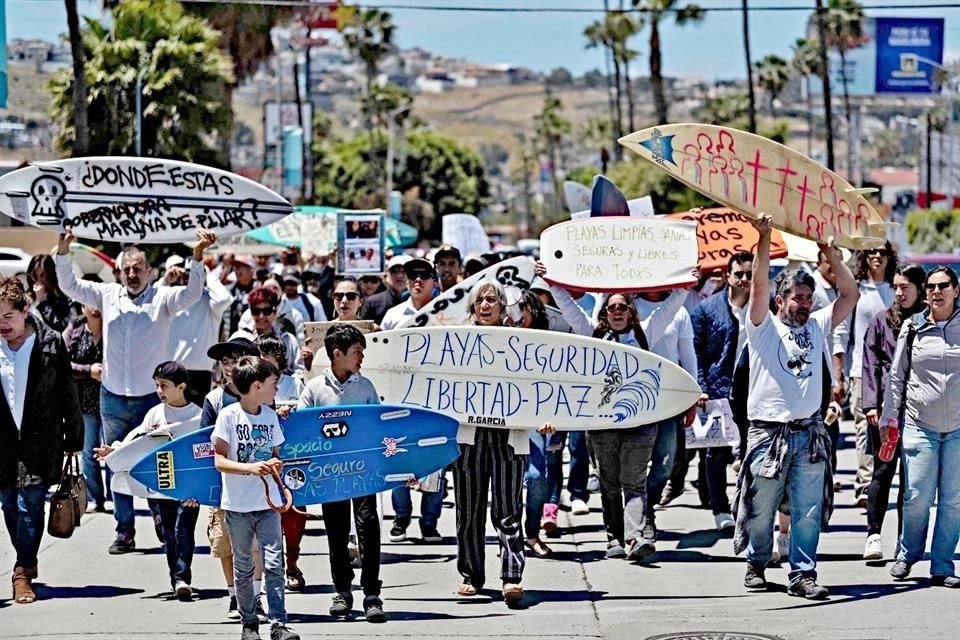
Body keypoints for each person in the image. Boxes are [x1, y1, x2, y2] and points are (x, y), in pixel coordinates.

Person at [54, 227, 217, 554]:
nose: (132, 274)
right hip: (113, 396)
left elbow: (191, 293)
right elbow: (68, 285)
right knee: (117, 462)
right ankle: (124, 530)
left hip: (150, 400)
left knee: (157, 461)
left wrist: (197, 257)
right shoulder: (107, 294)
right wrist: (63, 250)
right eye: (126, 269)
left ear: (149, 271)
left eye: (138, 268)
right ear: (118, 271)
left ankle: (159, 515)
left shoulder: (162, 297)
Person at [734, 215, 858, 600]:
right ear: (780, 300)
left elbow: (850, 295)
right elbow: (757, 285)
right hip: (768, 433)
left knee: (807, 509)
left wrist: (831, 256)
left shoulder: (819, 324)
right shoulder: (762, 325)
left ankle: (802, 573)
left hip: (810, 432)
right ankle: (757, 561)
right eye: (796, 298)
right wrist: (765, 238)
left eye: (807, 298)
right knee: (761, 506)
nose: (804, 305)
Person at [541, 263, 657, 562]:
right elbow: (567, 306)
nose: (617, 311)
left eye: (623, 307)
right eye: (611, 307)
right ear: (604, 313)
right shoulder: (592, 335)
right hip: (602, 424)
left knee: (633, 481)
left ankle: (634, 537)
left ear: (631, 312)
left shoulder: (648, 334)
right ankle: (614, 537)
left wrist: (686, 284)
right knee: (608, 483)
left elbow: (672, 305)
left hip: (640, 423)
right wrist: (550, 280)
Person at [454, 279, 545, 604]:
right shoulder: (456, 343)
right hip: (469, 438)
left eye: (492, 300)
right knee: (468, 511)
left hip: (509, 437)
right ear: (473, 306)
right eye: (480, 300)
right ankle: (471, 574)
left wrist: (546, 416)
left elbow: (536, 385)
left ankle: (511, 576)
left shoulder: (520, 343)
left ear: (502, 306)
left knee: (507, 510)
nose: (486, 305)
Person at [0, 277, 83, 604]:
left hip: (40, 437)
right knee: (9, 504)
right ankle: (26, 561)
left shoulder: (50, 343)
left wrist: (74, 436)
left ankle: (23, 570)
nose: (2, 324)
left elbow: (67, 391)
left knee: (30, 504)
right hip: (3, 440)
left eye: (8, 316)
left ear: (25, 311)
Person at [298, 324, 387, 622]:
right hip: (330, 474)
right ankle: (343, 590)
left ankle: (372, 594)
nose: (362, 356)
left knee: (368, 526)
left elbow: (380, 426)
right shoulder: (313, 389)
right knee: (336, 531)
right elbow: (302, 429)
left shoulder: (366, 387)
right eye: (357, 352)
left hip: (363, 472)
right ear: (337, 354)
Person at [94, 362, 202, 601]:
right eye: (156, 385)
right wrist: (113, 450)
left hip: (189, 489)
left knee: (183, 530)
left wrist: (201, 488)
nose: (159, 390)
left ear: (181, 387)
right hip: (160, 486)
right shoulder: (155, 413)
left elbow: (204, 451)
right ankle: (172, 561)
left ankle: (181, 579)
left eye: (164, 385)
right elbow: (136, 441)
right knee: (168, 533)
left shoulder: (197, 415)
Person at [882, 266, 960, 588]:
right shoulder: (913, 328)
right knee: (916, 496)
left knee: (954, 500)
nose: (935, 292)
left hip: (958, 428)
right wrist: (889, 416)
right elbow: (897, 376)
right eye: (930, 287)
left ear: (957, 290)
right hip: (919, 424)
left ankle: (942, 564)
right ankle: (908, 553)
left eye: (943, 286)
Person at [212, 356, 299, 640]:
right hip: (237, 505)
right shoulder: (229, 416)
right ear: (257, 385)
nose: (277, 388)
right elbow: (219, 461)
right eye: (274, 383)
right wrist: (249, 468)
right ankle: (249, 623)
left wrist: (275, 465)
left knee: (275, 563)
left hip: (267, 504)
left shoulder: (270, 416)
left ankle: (278, 623)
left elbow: (276, 456)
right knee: (244, 565)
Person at [861, 263, 926, 562]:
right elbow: (870, 363)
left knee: (911, 479)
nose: (899, 293)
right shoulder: (882, 321)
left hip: (921, 411)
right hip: (887, 408)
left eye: (905, 287)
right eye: (896, 287)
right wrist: (871, 403)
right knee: (882, 470)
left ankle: (904, 540)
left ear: (920, 289)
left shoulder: (930, 321)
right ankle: (873, 534)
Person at [201, 332, 266, 620]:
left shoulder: (263, 395)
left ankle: (256, 594)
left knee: (255, 544)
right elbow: (202, 445)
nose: (229, 366)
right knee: (226, 542)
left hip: (257, 482)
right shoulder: (214, 400)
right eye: (225, 361)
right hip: (223, 483)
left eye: (236, 360)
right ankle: (233, 595)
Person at [381, 258, 445, 542]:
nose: (417, 280)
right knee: (396, 455)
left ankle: (429, 522)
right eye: (411, 275)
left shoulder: (447, 315)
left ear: (435, 280)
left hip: (435, 399)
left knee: (436, 460)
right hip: (398, 399)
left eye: (424, 275)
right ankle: (401, 516)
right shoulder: (393, 317)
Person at [689, 253, 754, 532]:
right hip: (717, 389)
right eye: (738, 273)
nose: (744, 279)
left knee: (753, 450)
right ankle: (719, 508)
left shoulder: (763, 308)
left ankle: (747, 505)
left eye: (749, 274)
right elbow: (696, 353)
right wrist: (701, 388)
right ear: (727, 275)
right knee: (716, 453)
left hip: (753, 390)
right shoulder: (706, 310)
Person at [849, 242, 897, 508]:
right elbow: (843, 333)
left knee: (890, 427)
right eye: (871, 252)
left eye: (882, 252)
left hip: (893, 372)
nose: (877, 256)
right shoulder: (856, 290)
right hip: (860, 369)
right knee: (864, 428)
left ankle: (883, 478)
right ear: (864, 257)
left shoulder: (895, 290)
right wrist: (838, 372)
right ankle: (865, 483)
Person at [162, 257, 232, 405]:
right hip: (172, 373)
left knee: (197, 423)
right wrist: (165, 281)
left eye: (195, 276)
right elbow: (151, 304)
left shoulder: (210, 301)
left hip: (200, 374)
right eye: (188, 276)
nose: (191, 280)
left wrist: (207, 273)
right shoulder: (173, 298)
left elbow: (224, 299)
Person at [63, 305, 106, 513]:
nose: (95, 308)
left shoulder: (113, 327)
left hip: (111, 400)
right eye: (90, 303)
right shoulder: (76, 328)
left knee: (113, 451)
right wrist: (89, 371)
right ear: (83, 307)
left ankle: (119, 496)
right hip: (86, 401)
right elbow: (63, 361)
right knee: (89, 452)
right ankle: (95, 497)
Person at [244, 288, 306, 376]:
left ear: (275, 312)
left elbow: (300, 370)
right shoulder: (243, 338)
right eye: (256, 311)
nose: (261, 316)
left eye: (266, 311)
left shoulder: (288, 340)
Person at [27, 254, 76, 333]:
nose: (38, 279)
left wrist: (42, 302)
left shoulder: (61, 299)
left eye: (42, 275)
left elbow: (61, 327)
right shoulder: (26, 298)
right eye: (35, 275)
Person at [359, 255, 410, 324]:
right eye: (395, 271)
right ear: (386, 276)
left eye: (404, 271)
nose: (399, 276)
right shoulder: (372, 302)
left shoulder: (418, 300)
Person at [220, 255, 257, 342]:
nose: (236, 270)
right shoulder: (228, 290)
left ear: (250, 270)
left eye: (240, 267)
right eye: (235, 267)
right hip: (231, 339)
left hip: (251, 340)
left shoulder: (258, 290)